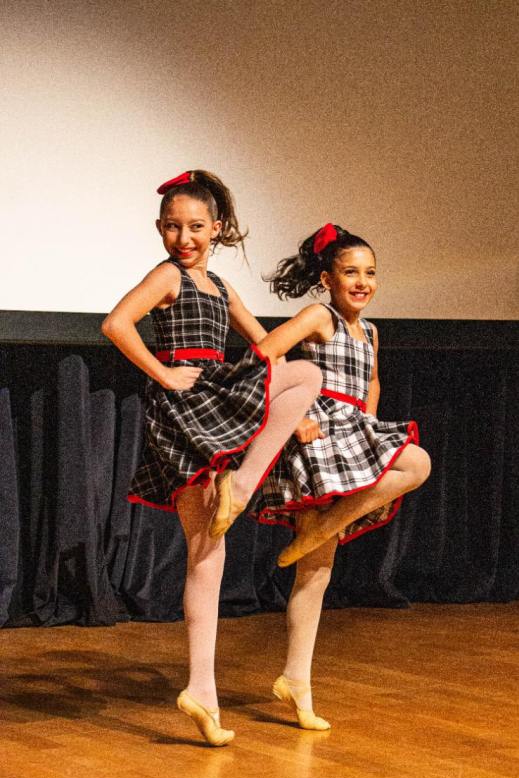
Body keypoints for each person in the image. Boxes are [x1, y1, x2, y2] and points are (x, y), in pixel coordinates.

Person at [101, 170, 322, 746]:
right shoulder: (166, 276)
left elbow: (266, 347)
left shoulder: (221, 288)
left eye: (196, 227)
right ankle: (242, 487)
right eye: (173, 227)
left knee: (208, 552)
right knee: (206, 549)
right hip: (185, 406)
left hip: (216, 395)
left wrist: (295, 413)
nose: (184, 238)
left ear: (216, 228)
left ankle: (202, 690)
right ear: (159, 229)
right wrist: (162, 373)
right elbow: (116, 324)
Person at [251, 223, 431, 730]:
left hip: (354, 433)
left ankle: (295, 679)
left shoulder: (370, 332)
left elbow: (371, 382)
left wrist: (370, 426)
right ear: (327, 279)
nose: (362, 282)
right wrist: (293, 414)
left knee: (320, 567)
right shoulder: (319, 316)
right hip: (318, 436)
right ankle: (298, 682)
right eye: (351, 272)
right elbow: (265, 355)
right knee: (318, 568)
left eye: (370, 273)